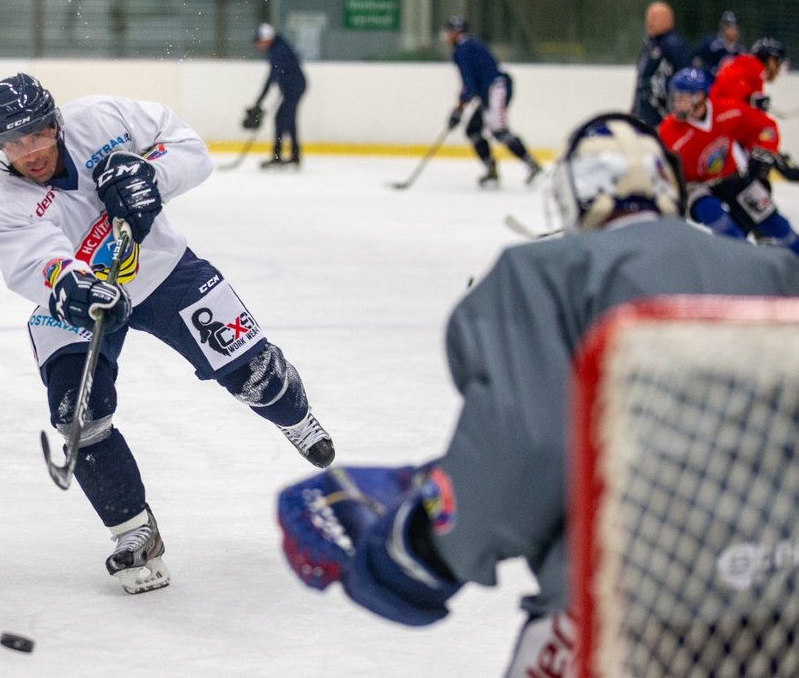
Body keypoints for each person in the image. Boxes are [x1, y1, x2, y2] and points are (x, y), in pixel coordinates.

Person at [276, 112, 799, 675]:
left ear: (574, 193)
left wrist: (414, 546)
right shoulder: (775, 272)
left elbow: (530, 449)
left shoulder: (547, 273)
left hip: (632, 618)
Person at [0, 73, 335, 594]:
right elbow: (38, 265)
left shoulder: (101, 118)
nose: (28, 151)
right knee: (78, 413)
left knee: (258, 377)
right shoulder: (2, 205)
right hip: (82, 302)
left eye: (36, 134)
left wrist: (149, 174)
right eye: (12, 142)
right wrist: (73, 287)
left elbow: (192, 150)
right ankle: (133, 532)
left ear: (56, 123)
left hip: (166, 269)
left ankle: (296, 417)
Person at [659, 67, 799, 254]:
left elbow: (766, 127)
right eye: (675, 97)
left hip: (731, 177)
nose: (676, 104)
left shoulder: (727, 110)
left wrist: (765, 150)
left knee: (776, 224)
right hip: (694, 186)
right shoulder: (668, 131)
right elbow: (656, 163)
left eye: (682, 98)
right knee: (718, 218)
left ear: (700, 96)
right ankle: (748, 263)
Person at [441, 16, 542, 188]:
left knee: (499, 131)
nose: (446, 35)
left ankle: (531, 164)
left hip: (495, 90)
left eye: (449, 31)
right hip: (490, 91)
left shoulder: (461, 50)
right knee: (473, 129)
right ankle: (491, 169)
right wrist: (462, 105)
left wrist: (459, 109)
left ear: (457, 32)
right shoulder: (471, 45)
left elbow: (469, 84)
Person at [249, 23, 307, 169]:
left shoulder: (277, 51)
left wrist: (259, 101)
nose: (257, 45)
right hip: (292, 87)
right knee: (288, 119)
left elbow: (272, 78)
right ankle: (295, 156)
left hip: (293, 88)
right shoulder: (277, 48)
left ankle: (278, 156)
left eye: (258, 41)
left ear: (266, 39)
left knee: (281, 119)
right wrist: (260, 101)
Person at [631, 1, 689, 127]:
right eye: (649, 18)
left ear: (669, 20)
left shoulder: (673, 45)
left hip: (663, 113)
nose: (650, 23)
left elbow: (684, 77)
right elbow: (641, 78)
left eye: (655, 18)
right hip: (645, 111)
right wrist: (634, 108)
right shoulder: (649, 44)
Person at [710, 37, 787, 112]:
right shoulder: (757, 69)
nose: (778, 68)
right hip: (723, 111)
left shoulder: (745, 63)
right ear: (771, 60)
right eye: (778, 61)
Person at [692, 10, 746, 75]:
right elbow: (697, 61)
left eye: (734, 27)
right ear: (722, 27)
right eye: (728, 27)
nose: (732, 30)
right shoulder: (711, 44)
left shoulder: (741, 49)